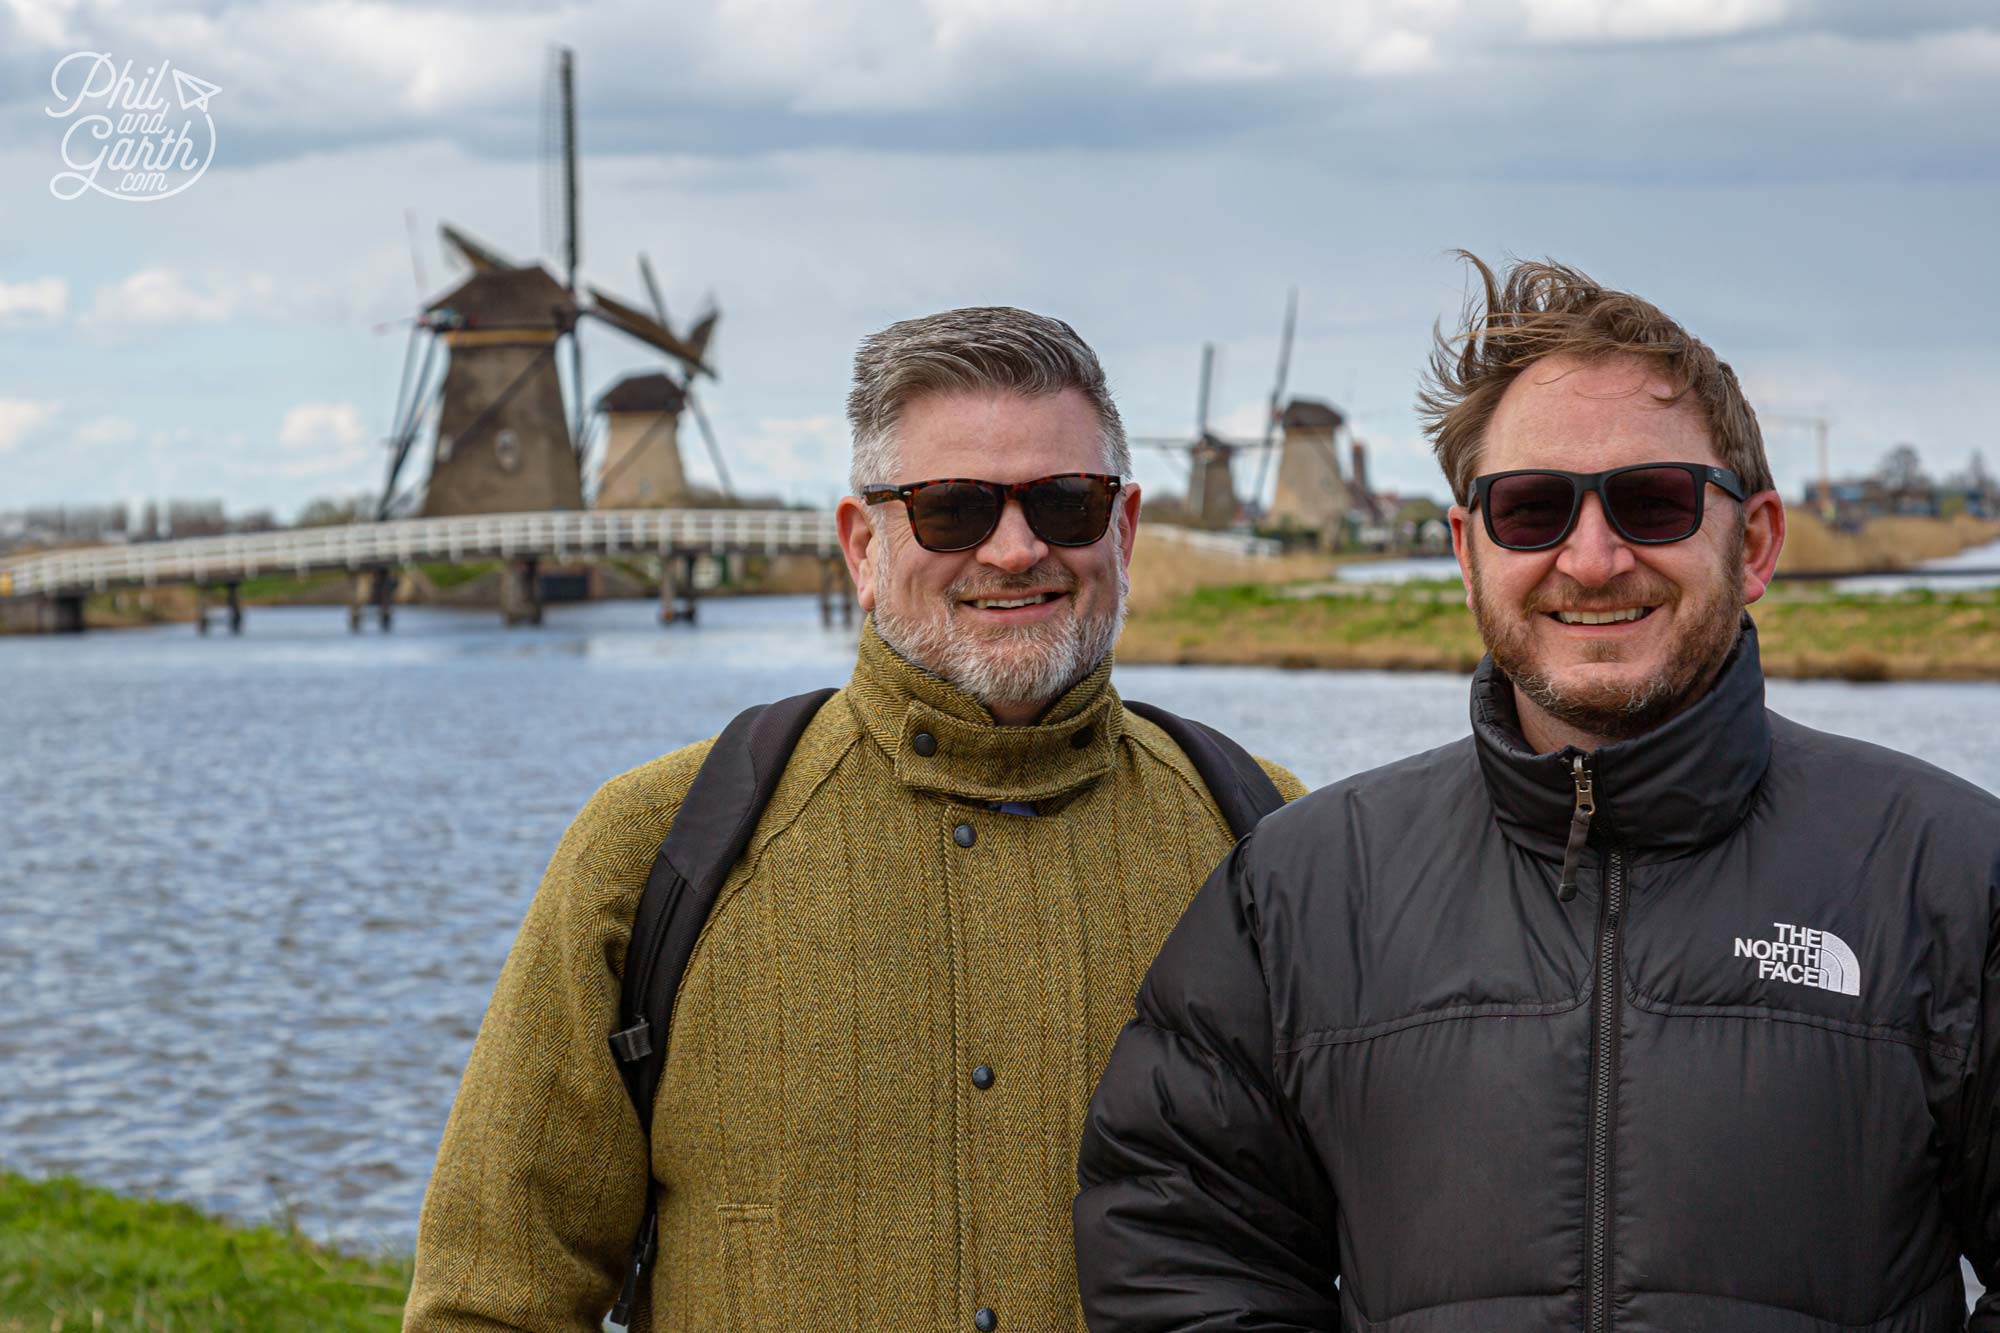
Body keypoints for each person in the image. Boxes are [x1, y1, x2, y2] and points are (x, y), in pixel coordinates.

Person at [1074, 256, 2000, 1330]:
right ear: (1467, 551)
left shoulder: (1947, 874)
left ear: (1751, 543)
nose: (1593, 557)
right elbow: (1181, 1249)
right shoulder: (1295, 893)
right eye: (1530, 509)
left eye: (1652, 503)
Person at [404, 306, 1305, 1332]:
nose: (1013, 550)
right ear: (860, 548)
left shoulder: (1270, 844)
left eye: (1064, 502)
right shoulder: (652, 848)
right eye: (950, 508)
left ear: (1123, 529)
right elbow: (493, 1296)